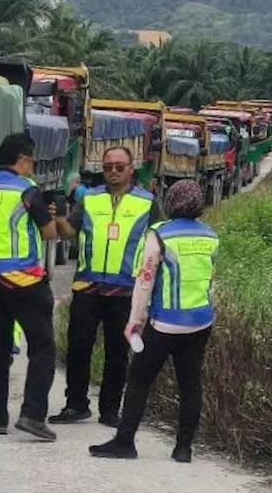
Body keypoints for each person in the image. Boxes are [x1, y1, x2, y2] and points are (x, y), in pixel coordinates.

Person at [89, 179, 219, 462]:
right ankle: (184, 448)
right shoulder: (211, 236)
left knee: (139, 379)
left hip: (164, 323)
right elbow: (210, 279)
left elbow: (145, 280)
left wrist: (135, 320)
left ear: (170, 202)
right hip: (200, 322)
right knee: (190, 383)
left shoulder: (160, 234)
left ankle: (125, 441)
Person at [49, 146, 159, 427]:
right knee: (78, 348)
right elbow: (68, 231)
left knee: (117, 353)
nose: (112, 171)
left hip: (125, 291)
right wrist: (56, 216)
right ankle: (76, 405)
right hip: (88, 286)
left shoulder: (148, 203)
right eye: (108, 166)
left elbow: (160, 244)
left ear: (131, 168)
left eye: (119, 166)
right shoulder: (89, 199)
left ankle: (110, 410)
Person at [0, 132, 59, 441]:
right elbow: (48, 233)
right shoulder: (27, 190)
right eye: (31, 162)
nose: (32, 168)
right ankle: (33, 416)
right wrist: (49, 217)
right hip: (24, 280)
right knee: (43, 347)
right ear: (22, 160)